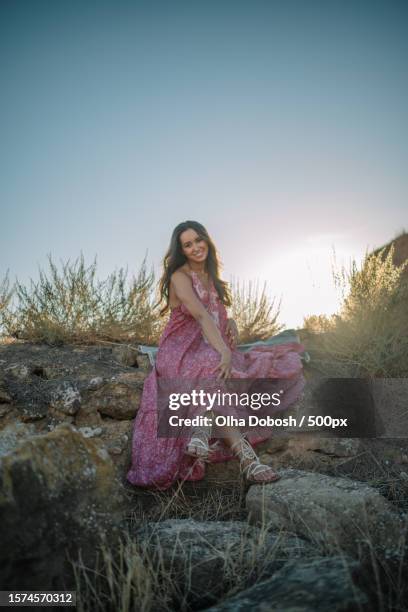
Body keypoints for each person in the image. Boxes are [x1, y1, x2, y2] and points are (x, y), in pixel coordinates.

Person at [127, 221, 305, 490]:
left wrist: (229, 323)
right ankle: (243, 457)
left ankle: (216, 440)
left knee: (224, 368)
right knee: (214, 364)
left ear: (207, 240)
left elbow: (213, 314)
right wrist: (222, 349)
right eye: (188, 244)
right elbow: (198, 314)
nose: (196, 247)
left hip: (209, 341)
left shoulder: (212, 276)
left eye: (199, 240)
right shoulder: (179, 276)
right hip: (180, 348)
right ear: (182, 250)